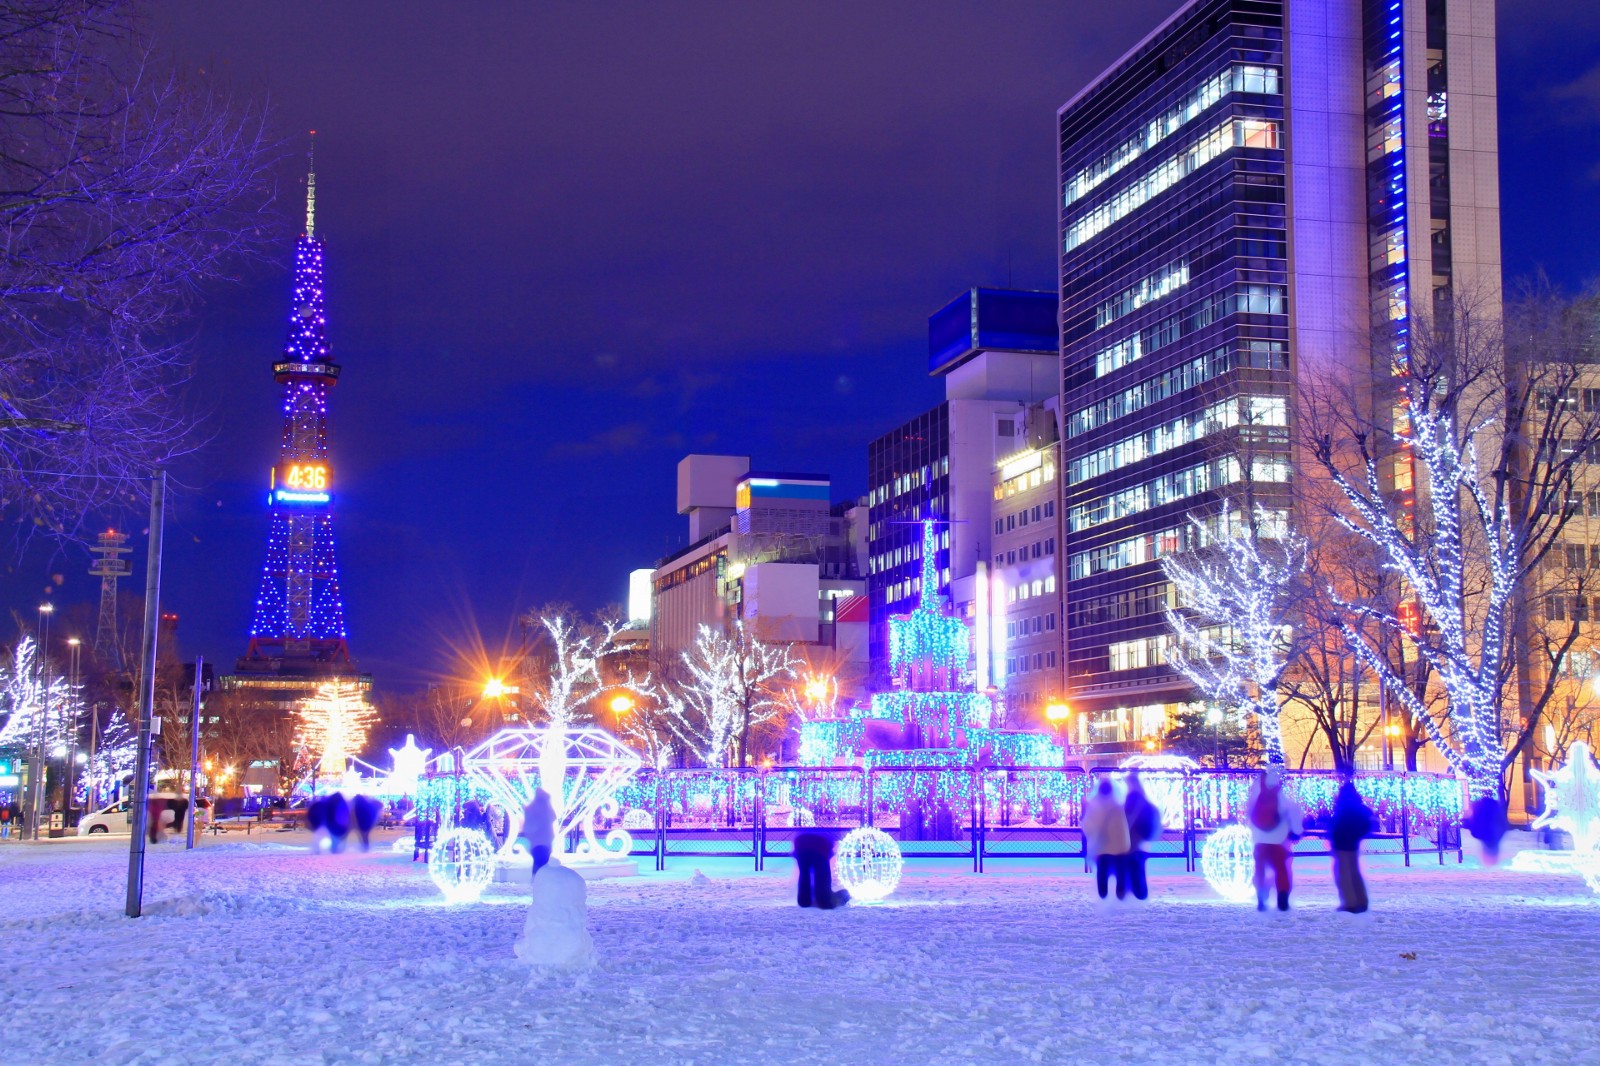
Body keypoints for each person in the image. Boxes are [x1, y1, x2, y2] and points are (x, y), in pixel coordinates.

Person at [1246, 766, 1303, 912]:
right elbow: (1292, 813)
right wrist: (1296, 831)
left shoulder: (1256, 796)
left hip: (1260, 841)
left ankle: (1261, 898)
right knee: (1281, 870)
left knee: (1260, 870)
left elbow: (1249, 816)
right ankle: (1282, 900)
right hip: (1279, 841)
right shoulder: (1281, 796)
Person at [1081, 777, 1131, 901]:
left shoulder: (1093, 806)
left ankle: (1103, 896)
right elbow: (1124, 826)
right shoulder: (1119, 805)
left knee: (1102, 871)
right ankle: (1120, 896)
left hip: (1101, 846)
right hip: (1119, 845)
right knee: (1121, 871)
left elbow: (1087, 826)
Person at [1329, 780, 1373, 913]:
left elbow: (1337, 825)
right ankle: (1361, 901)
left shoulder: (1342, 807)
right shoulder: (1358, 806)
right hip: (1353, 843)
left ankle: (1350, 903)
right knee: (1354, 873)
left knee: (1343, 874)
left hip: (1342, 844)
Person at [1122, 772, 1161, 901]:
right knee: (1137, 865)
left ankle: (1136, 894)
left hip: (1133, 837)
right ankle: (1140, 893)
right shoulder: (1143, 798)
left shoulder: (1132, 797)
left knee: (1132, 866)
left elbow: (1126, 817)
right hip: (1142, 838)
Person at [792, 831, 849, 909]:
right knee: (821, 873)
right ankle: (819, 898)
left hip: (802, 843)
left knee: (805, 873)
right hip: (818, 845)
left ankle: (806, 898)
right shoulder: (824, 848)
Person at [522, 788, 558, 875]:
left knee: (538, 862)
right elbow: (554, 817)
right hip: (545, 840)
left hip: (535, 841)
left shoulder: (531, 808)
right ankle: (540, 880)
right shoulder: (546, 808)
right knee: (543, 862)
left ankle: (536, 879)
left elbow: (528, 826)